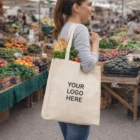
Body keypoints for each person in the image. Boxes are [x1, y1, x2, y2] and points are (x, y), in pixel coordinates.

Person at [53, 0, 100, 140]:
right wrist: (96, 43)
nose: (92, 9)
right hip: (77, 97)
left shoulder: (64, 27)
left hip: (65, 95)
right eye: (89, 4)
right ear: (76, 7)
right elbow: (87, 65)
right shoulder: (80, 29)